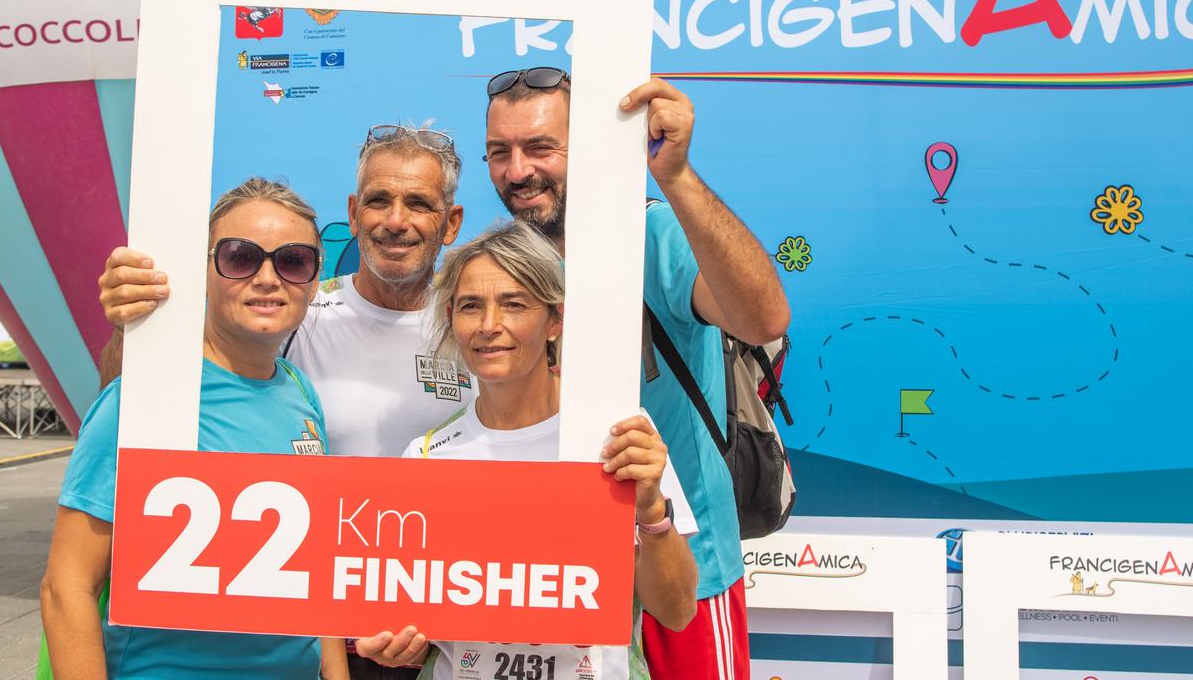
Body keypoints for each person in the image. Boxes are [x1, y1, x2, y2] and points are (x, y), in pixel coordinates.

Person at [94, 125, 472, 678]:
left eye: (418, 203)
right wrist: (133, 325)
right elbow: (133, 398)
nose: (396, 220)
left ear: (451, 222)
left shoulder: (481, 325)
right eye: (378, 200)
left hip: (450, 634)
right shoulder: (293, 306)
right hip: (313, 639)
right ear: (354, 212)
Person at [483, 69, 791, 679]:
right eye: (499, 152)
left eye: (541, 147)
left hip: (684, 570)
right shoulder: (500, 264)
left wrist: (676, 176)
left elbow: (764, 319)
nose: (518, 171)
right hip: (564, 577)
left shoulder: (651, 233)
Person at [356, 221, 698, 677]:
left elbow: (677, 612)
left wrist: (652, 509)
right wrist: (393, 641)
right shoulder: (427, 456)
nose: (489, 326)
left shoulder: (617, 437)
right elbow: (406, 621)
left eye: (514, 304)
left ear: (555, 320)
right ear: (451, 318)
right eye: (471, 306)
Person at [40, 178, 348, 679]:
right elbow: (66, 588)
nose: (267, 278)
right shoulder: (145, 397)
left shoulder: (300, 393)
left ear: (314, 281)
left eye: (293, 261)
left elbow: (314, 574)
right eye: (240, 257)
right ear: (203, 271)